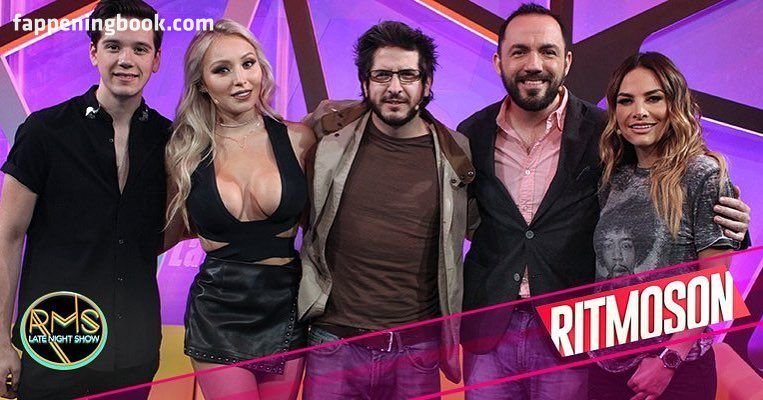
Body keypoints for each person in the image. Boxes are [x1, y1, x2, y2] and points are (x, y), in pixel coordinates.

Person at [456, 4, 751, 400]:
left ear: (567, 61)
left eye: (547, 51)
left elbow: (680, 203)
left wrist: (733, 225)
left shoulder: (604, 134)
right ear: (498, 62)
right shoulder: (470, 133)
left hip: (570, 332)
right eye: (519, 51)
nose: (534, 64)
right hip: (497, 331)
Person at [0, 1, 168, 399]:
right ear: (93, 52)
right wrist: (1, 341)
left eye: (140, 49)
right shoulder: (45, 131)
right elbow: (7, 236)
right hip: (53, 344)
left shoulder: (170, 140)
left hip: (135, 351)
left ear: (156, 59)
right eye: (113, 46)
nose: (126, 60)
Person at [298, 21, 473, 399]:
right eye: (382, 75)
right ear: (364, 83)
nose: (395, 87)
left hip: (416, 348)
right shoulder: (327, 139)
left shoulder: (457, 152)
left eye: (408, 75)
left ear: (427, 84)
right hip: (334, 344)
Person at [164, 19, 315, 400]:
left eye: (248, 64)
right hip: (218, 308)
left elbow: (323, 224)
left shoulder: (300, 139)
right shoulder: (183, 151)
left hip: (285, 303)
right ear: (202, 84)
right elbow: (165, 230)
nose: (241, 80)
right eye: (222, 70)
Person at [588, 51, 737, 400]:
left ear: (674, 105)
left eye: (653, 98)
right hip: (606, 367)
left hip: (674, 371)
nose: (639, 111)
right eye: (626, 100)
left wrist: (669, 360)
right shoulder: (613, 177)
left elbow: (712, 285)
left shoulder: (703, 174)